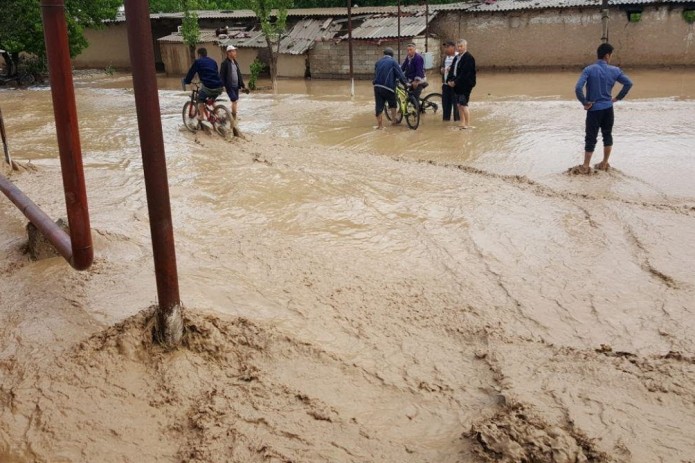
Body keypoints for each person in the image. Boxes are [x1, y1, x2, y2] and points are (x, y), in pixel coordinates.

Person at [574, 42, 633, 174]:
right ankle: (604, 162)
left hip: (594, 109)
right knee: (607, 135)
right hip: (608, 108)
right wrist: (617, 98)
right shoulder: (615, 70)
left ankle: (585, 165)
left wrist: (584, 102)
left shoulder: (589, 69)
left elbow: (578, 88)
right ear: (607, 55)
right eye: (611, 55)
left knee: (590, 137)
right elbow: (628, 83)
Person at [183, 48, 225, 129]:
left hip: (208, 86)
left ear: (199, 55)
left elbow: (191, 73)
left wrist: (186, 81)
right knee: (211, 98)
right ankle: (218, 112)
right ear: (206, 54)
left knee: (200, 99)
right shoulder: (213, 61)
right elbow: (215, 72)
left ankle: (201, 116)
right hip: (219, 86)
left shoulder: (198, 62)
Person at [373, 47, 408, 130]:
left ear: (384, 54)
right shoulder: (393, 62)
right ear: (392, 55)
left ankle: (380, 125)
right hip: (388, 87)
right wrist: (406, 83)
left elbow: (376, 73)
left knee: (379, 105)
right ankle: (393, 120)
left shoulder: (378, 62)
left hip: (377, 87)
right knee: (393, 103)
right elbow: (400, 74)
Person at [446, 39, 476, 129]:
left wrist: (455, 82)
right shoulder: (457, 57)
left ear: (465, 46)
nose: (459, 48)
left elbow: (465, 74)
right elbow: (452, 70)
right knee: (459, 105)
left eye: (461, 46)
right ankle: (462, 122)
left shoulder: (469, 58)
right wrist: (449, 80)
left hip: (465, 84)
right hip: (457, 84)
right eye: (458, 47)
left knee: (463, 104)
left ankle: (467, 124)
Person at [219, 45, 247, 120]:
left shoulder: (235, 62)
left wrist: (242, 85)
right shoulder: (224, 63)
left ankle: (232, 115)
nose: (235, 53)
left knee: (235, 101)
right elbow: (221, 76)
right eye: (234, 51)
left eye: (235, 51)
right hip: (229, 86)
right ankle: (234, 118)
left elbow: (238, 74)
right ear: (229, 53)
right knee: (234, 100)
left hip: (236, 86)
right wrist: (222, 86)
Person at [440, 40, 459, 122]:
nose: (445, 49)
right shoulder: (445, 57)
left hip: (455, 85)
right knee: (445, 105)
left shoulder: (458, 56)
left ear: (453, 47)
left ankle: (457, 122)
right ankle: (446, 122)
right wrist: (442, 69)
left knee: (456, 106)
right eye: (445, 47)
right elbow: (441, 67)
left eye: (447, 47)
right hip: (446, 84)